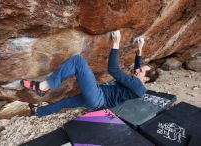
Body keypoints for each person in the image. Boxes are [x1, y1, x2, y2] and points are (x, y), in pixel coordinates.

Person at [21, 30, 159, 117]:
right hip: (97, 101)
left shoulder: (138, 86)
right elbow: (138, 68)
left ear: (146, 78)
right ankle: (37, 112)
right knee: (64, 102)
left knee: (78, 61)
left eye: (142, 70)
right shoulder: (139, 85)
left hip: (98, 97)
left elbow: (114, 70)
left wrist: (115, 44)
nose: (138, 69)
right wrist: (140, 50)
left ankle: (44, 87)